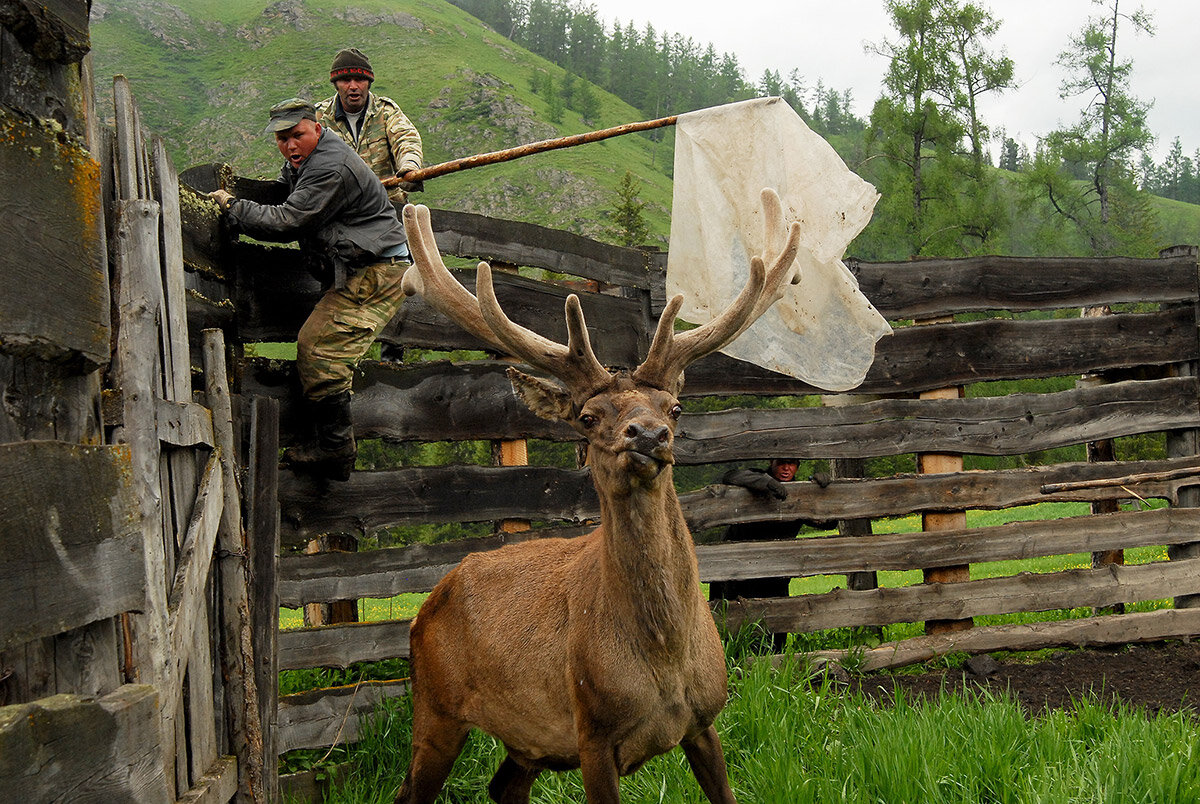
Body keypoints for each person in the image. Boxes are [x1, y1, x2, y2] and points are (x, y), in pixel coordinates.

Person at [208, 98, 411, 481]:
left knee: (319, 348)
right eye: (282, 139)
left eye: (297, 135)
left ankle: (335, 449)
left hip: (378, 270)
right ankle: (330, 442)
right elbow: (289, 195)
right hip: (363, 264)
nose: (290, 145)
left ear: (316, 127)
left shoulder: (330, 166)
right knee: (319, 345)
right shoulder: (308, 161)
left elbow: (289, 221)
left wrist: (234, 207)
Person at [710, 458, 829, 652]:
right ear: (772, 463)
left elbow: (827, 522)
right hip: (740, 571)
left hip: (776, 572)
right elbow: (730, 476)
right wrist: (766, 483)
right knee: (735, 620)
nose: (786, 468)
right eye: (781, 463)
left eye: (791, 464)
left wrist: (822, 490)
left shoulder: (799, 493)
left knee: (776, 624)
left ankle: (774, 665)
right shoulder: (756, 478)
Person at [315, 47, 424, 204]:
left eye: (359, 80)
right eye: (346, 80)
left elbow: (406, 139)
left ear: (368, 83)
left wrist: (410, 166)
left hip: (387, 206)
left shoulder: (386, 112)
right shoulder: (319, 118)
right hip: (339, 208)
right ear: (336, 84)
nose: (353, 86)